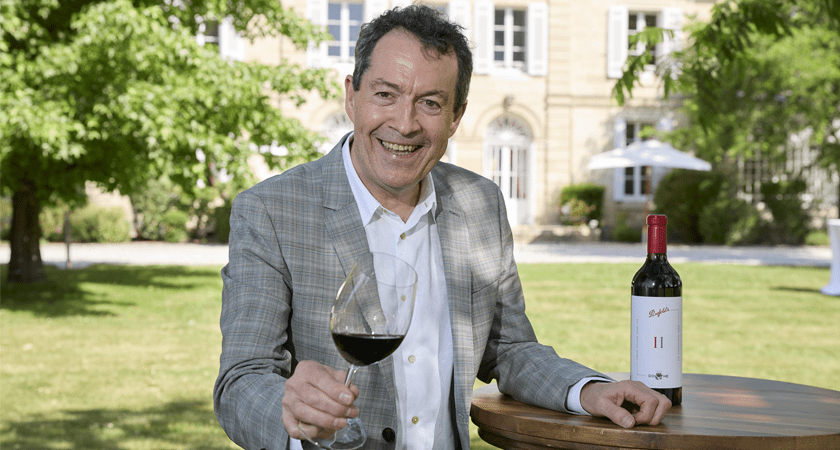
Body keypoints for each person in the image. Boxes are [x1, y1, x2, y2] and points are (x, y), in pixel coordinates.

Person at [213, 5, 671, 450]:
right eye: (385, 94)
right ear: (351, 96)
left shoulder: (479, 203)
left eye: (429, 103)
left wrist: (586, 390)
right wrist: (290, 412)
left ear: (456, 116)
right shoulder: (270, 211)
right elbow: (241, 380)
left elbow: (508, 348)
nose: (405, 123)